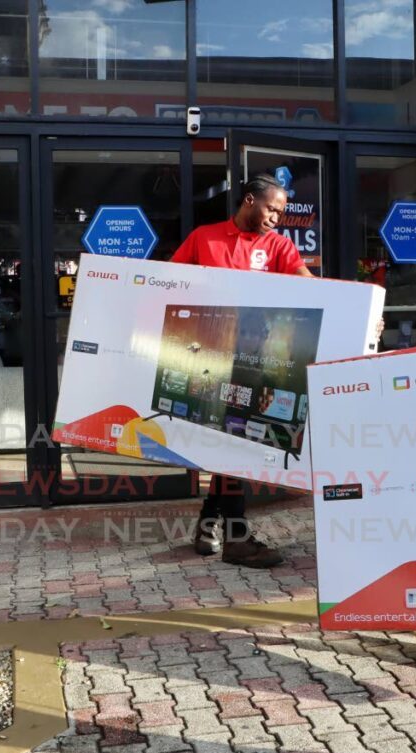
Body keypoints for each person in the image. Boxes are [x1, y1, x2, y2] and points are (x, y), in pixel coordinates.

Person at [171, 173, 313, 569]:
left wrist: (359, 312)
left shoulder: (279, 247)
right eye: (271, 208)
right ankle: (233, 536)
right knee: (231, 442)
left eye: (281, 212)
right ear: (249, 200)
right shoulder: (205, 237)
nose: (276, 218)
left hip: (254, 365)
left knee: (234, 442)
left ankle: (212, 525)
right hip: (209, 361)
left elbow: (312, 289)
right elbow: (169, 284)